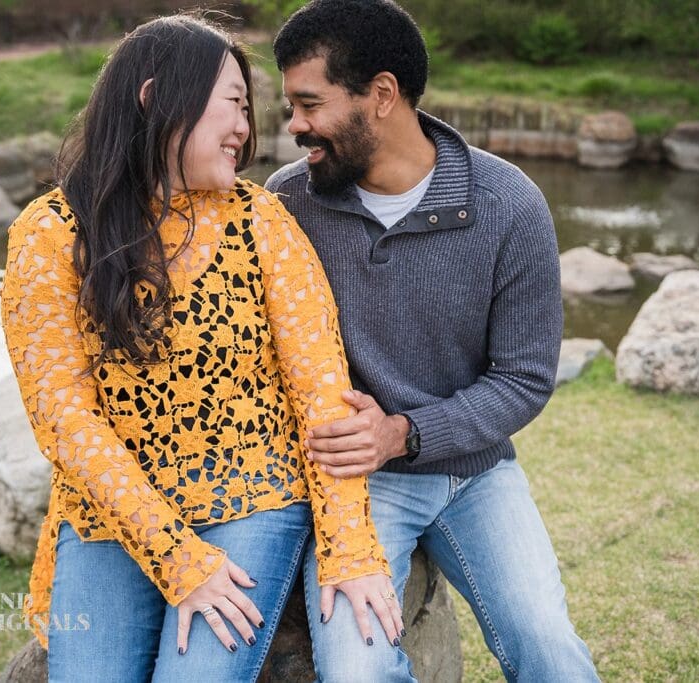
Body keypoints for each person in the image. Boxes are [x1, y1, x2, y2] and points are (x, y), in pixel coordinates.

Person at [0, 14, 403, 682]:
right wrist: (177, 558)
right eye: (234, 105)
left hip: (253, 495)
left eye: (250, 109)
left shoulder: (260, 221)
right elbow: (64, 419)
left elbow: (322, 393)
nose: (248, 128)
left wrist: (349, 548)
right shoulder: (49, 235)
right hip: (109, 514)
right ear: (155, 98)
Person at [265, 1, 600, 680]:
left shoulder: (510, 204)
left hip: (477, 474)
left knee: (548, 647)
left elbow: (524, 378)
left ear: (381, 95)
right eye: (290, 105)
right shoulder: (287, 204)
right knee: (354, 670)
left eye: (310, 103)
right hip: (358, 491)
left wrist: (403, 431)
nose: (295, 126)